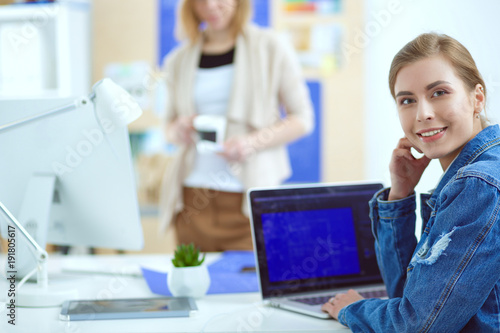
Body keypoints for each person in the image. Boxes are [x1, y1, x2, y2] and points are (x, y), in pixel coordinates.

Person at [322, 32, 500, 331]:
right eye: (407, 100)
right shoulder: (474, 174)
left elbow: (418, 325)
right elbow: (412, 298)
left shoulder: (478, 185)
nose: (423, 114)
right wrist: (400, 194)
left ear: (476, 98)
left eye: (439, 92)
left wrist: (353, 309)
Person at [159, 0, 314, 252]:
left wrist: (251, 143)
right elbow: (168, 126)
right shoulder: (178, 60)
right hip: (192, 200)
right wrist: (177, 130)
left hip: (246, 201)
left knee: (250, 285)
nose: (211, 5)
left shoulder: (270, 47)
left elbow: (302, 118)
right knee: (195, 286)